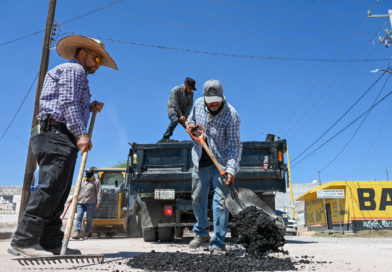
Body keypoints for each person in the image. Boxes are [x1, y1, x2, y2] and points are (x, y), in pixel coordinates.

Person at [8, 35, 117, 257]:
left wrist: (89, 107)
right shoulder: (73, 71)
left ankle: (51, 242)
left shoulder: (78, 75)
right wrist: (81, 133)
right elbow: (67, 103)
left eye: (101, 61)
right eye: (96, 58)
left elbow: (69, 102)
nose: (98, 64)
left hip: (58, 134)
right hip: (56, 132)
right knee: (50, 188)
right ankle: (24, 240)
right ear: (83, 53)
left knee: (59, 190)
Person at [186, 80, 242, 255]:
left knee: (220, 204)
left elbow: (235, 146)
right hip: (199, 162)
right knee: (197, 198)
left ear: (222, 96)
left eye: (217, 100)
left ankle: (217, 243)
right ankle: (202, 232)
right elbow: (190, 120)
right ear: (205, 99)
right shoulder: (197, 104)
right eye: (211, 102)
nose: (215, 104)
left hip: (221, 165)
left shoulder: (232, 115)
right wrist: (190, 125)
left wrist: (231, 170)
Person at [160, 77, 197, 142]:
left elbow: (189, 105)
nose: (191, 90)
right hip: (173, 109)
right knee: (175, 120)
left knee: (190, 125)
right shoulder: (176, 90)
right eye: (190, 88)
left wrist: (185, 116)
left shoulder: (191, 93)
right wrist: (180, 115)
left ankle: (196, 140)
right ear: (186, 85)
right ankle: (165, 137)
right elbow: (175, 104)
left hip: (184, 112)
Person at [72, 167, 102, 240]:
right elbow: (77, 190)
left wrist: (99, 202)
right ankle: (77, 232)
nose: (87, 174)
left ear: (92, 173)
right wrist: (74, 198)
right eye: (86, 173)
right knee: (79, 217)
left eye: (89, 173)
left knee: (89, 218)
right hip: (80, 202)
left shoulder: (96, 181)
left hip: (90, 202)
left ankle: (87, 233)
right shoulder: (83, 181)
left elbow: (99, 192)